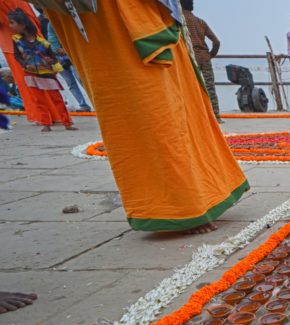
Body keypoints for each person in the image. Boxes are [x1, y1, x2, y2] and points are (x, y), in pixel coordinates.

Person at [46, 1, 248, 233]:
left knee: (177, 113)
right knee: (157, 116)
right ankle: (181, 207)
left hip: (110, 23)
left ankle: (203, 195)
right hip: (115, 24)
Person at [7, 8, 74, 132]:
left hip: (47, 74)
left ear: (22, 24)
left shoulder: (43, 43)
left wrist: (52, 61)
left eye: (12, 23)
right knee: (39, 101)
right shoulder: (16, 40)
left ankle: (67, 123)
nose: (10, 26)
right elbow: (16, 55)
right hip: (30, 74)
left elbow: (53, 58)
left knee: (57, 99)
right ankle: (46, 124)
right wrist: (24, 65)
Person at [181, 0, 220, 120]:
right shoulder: (201, 22)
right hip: (204, 57)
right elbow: (216, 42)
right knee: (210, 86)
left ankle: (195, 115)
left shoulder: (181, 22)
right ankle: (216, 115)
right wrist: (211, 55)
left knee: (190, 86)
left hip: (191, 58)